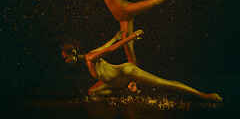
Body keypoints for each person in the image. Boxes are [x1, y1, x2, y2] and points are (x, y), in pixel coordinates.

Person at [62, 30, 222, 101]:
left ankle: (203, 95)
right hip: (116, 81)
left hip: (127, 72)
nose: (66, 61)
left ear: (74, 53)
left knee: (164, 84)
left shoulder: (90, 58)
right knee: (92, 92)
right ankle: (126, 90)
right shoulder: (89, 56)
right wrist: (114, 37)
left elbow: (111, 49)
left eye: (67, 58)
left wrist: (131, 37)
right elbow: (106, 46)